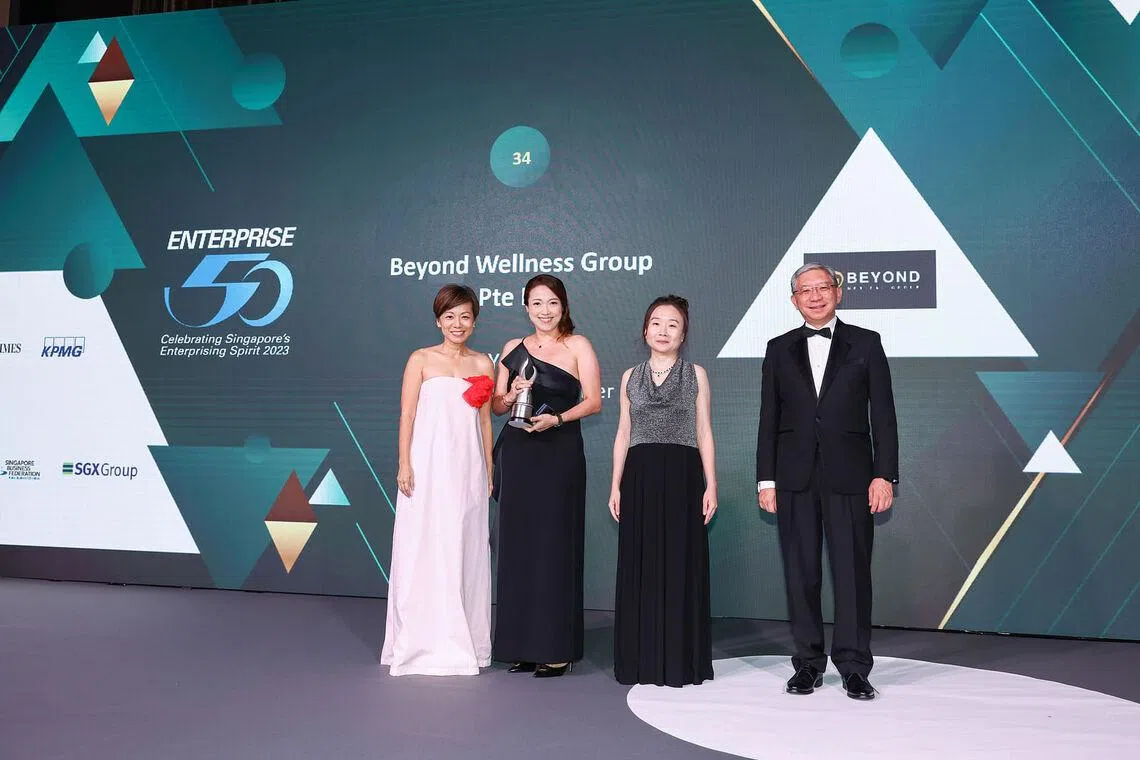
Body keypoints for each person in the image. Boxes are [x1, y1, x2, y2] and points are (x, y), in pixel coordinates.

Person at [756, 263, 898, 700]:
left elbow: (884, 416)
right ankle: (808, 664)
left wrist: (884, 474)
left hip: (852, 476)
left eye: (823, 287)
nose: (815, 296)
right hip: (793, 477)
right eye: (806, 290)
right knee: (801, 573)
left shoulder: (867, 343)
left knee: (852, 573)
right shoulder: (778, 349)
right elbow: (768, 419)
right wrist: (766, 480)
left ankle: (854, 667)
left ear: (838, 292)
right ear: (794, 300)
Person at [381, 284, 496, 676]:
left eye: (465, 316)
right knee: (422, 545)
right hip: (426, 468)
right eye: (450, 317)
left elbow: (484, 422)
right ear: (438, 321)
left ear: (474, 321)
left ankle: (466, 641)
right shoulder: (421, 359)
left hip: (467, 470)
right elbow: (407, 415)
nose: (457, 324)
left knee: (465, 547)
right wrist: (404, 463)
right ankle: (419, 641)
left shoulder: (483, 364)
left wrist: (488, 469)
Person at [491, 274, 602, 678]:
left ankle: (555, 648)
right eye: (536, 303)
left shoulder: (578, 345)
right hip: (518, 454)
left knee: (554, 546)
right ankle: (521, 646)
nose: (545, 310)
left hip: (559, 453)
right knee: (518, 546)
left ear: (563, 306)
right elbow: (497, 406)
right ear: (526, 307)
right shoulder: (511, 349)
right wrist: (511, 392)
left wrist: (556, 419)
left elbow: (593, 402)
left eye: (552, 302)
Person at [610, 295, 716, 687]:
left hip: (684, 476)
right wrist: (616, 484)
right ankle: (640, 661)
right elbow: (624, 432)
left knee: (680, 563)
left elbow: (704, 431)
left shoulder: (696, 374)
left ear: (683, 335)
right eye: (656, 323)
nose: (663, 331)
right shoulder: (629, 377)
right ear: (645, 330)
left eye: (673, 325)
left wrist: (711, 483)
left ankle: (681, 661)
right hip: (639, 477)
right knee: (641, 565)